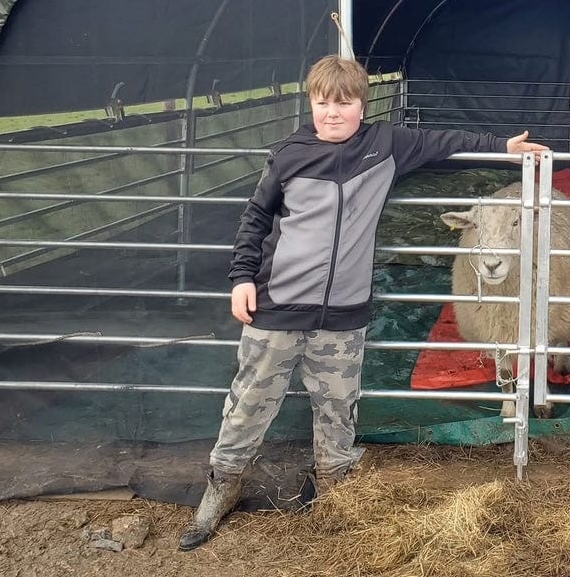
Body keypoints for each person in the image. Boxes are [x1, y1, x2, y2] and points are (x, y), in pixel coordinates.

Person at [179, 55, 547, 551]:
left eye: (344, 103)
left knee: (337, 406)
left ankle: (336, 489)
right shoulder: (289, 155)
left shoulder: (385, 145)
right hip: (279, 306)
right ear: (310, 103)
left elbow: (446, 141)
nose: (333, 113)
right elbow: (256, 218)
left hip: (343, 313)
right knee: (250, 401)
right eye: (322, 102)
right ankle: (222, 485)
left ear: (362, 105)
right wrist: (243, 277)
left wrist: (503, 147)